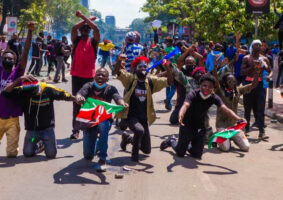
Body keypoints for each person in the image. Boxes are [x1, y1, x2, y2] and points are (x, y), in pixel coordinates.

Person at [160, 74, 244, 159]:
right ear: (200, 86)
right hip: (186, 125)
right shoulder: (192, 94)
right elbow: (185, 105)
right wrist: (181, 114)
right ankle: (172, 141)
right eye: (204, 85)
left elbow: (225, 109)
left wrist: (238, 118)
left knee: (197, 155)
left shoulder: (214, 97)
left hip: (200, 126)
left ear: (213, 88)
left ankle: (186, 145)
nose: (207, 88)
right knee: (180, 152)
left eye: (210, 86)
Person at [116, 55, 173, 162]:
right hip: (130, 116)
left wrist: (168, 68)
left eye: (145, 66)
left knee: (147, 150)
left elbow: (170, 82)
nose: (143, 68)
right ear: (135, 69)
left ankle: (128, 139)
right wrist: (119, 60)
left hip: (143, 118)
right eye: (140, 66)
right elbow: (118, 72)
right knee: (139, 130)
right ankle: (134, 154)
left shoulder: (151, 81)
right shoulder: (130, 79)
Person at [3, 77, 76, 158]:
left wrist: (76, 99)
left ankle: (45, 144)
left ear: (37, 88)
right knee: (27, 153)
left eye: (32, 93)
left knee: (51, 155)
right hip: (32, 129)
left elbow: (64, 94)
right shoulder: (23, 90)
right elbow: (5, 92)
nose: (30, 95)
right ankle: (40, 145)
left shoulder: (48, 89)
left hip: (47, 128)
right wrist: (18, 79)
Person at [75, 68, 127, 171]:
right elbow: (80, 94)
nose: (100, 77)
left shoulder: (111, 89)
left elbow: (117, 97)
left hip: (103, 119)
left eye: (103, 76)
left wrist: (122, 103)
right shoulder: (88, 86)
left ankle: (102, 158)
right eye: (98, 74)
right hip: (89, 122)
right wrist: (79, 98)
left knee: (103, 125)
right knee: (88, 156)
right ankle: (98, 144)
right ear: (94, 76)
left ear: (107, 79)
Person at [212, 57, 261, 152]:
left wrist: (257, 71)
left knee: (246, 147)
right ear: (224, 82)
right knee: (226, 148)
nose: (232, 83)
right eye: (229, 81)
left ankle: (231, 138)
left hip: (233, 125)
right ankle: (218, 136)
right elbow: (215, 80)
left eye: (233, 81)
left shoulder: (237, 90)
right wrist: (215, 67)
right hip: (222, 124)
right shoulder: (219, 90)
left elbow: (253, 85)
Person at [0, 22, 34, 158]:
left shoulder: (18, 73)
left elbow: (25, 55)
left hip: (12, 120)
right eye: (5, 58)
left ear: (14, 61)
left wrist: (30, 32)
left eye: (10, 58)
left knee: (12, 154)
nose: (7, 59)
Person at [70, 11, 100, 139]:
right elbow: (73, 28)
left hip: (89, 77)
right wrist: (86, 19)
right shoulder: (75, 40)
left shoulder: (94, 42)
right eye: (83, 28)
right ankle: (76, 130)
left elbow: (96, 29)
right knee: (77, 103)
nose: (85, 30)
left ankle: (91, 129)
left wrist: (84, 18)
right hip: (76, 76)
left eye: (88, 28)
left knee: (89, 103)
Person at [241, 40, 271, 139]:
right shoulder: (246, 58)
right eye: (256, 45)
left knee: (260, 108)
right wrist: (252, 67)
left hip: (260, 85)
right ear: (252, 46)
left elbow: (269, 71)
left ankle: (262, 131)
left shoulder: (264, 59)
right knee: (247, 107)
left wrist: (263, 66)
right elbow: (242, 72)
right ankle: (246, 128)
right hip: (248, 84)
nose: (258, 46)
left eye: (260, 45)